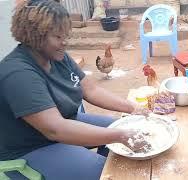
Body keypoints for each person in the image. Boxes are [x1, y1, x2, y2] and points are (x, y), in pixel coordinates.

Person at [0, 1, 150, 179]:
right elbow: (55, 129)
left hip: (63, 123)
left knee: (118, 132)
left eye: (65, 35)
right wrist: (119, 136)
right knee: (107, 170)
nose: (65, 42)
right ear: (35, 36)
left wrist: (131, 108)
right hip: (33, 146)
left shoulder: (57, 56)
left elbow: (91, 89)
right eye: (57, 37)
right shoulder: (18, 73)